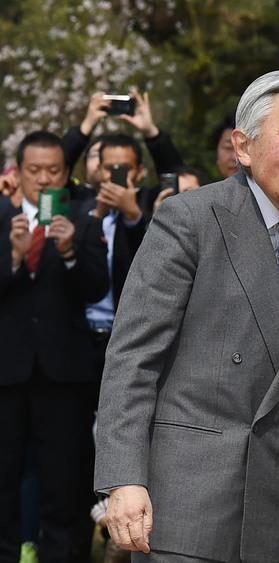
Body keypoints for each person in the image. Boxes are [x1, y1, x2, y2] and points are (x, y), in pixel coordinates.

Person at [94, 69, 279, 561]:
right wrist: (124, 479)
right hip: (186, 502)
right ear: (244, 145)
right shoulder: (190, 218)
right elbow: (132, 359)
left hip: (274, 506)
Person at [0, 131, 109, 562]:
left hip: (65, 371)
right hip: (8, 369)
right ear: (19, 172)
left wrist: (67, 253)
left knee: (63, 477)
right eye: (34, 171)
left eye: (53, 171)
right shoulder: (1, 217)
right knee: (5, 475)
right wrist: (12, 259)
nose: (44, 180)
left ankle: (64, 553)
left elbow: (97, 286)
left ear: (66, 174)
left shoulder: (83, 217)